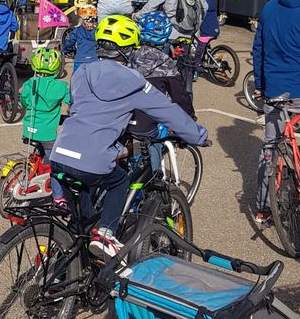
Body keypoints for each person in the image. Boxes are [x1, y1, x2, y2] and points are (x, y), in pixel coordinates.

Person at [50, 15, 208, 257]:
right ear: (127, 49)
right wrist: (198, 135)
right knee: (120, 181)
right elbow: (169, 112)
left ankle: (75, 256)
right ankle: (106, 235)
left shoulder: (81, 73)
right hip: (93, 160)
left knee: (81, 213)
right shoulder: (133, 81)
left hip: (60, 154)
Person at [253, 0, 300, 224]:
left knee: (270, 148)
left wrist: (261, 85)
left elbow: (258, 50)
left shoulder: (269, 7)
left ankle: (263, 208)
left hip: (274, 88)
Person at [131, 11, 195, 170]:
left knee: (134, 149)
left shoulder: (132, 56)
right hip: (148, 119)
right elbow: (180, 97)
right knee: (156, 138)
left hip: (127, 113)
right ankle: (152, 179)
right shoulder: (166, 64)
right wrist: (190, 118)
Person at [20, 47, 70, 207]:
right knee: (56, 165)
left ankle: (37, 171)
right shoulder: (60, 87)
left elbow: (24, 101)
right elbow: (72, 103)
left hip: (29, 130)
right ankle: (58, 197)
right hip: (48, 134)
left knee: (41, 153)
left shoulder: (30, 84)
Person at [194, 0, 219, 80]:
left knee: (198, 51)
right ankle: (208, 56)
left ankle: (195, 69)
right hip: (215, 30)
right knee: (205, 44)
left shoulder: (202, 4)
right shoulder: (212, 2)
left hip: (206, 31)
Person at [62, 6, 97, 72]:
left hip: (80, 60)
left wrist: (65, 50)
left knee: (77, 80)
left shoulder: (77, 30)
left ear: (81, 19)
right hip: (93, 60)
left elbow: (70, 42)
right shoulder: (97, 31)